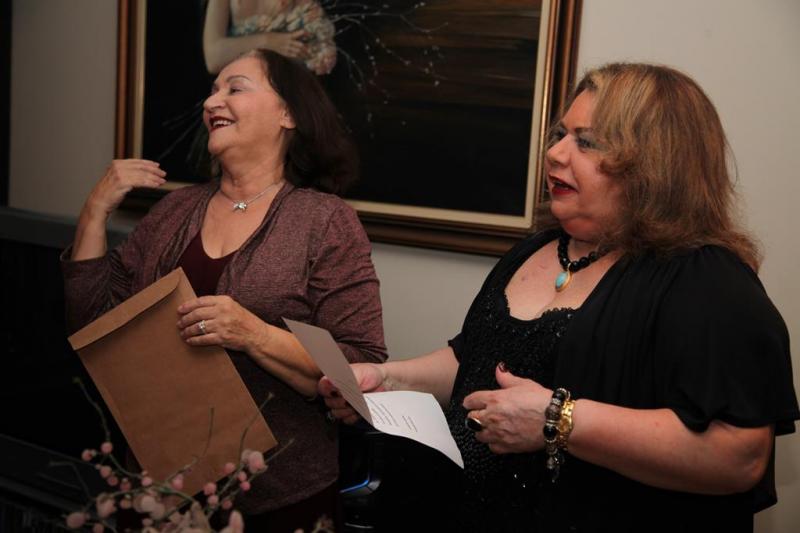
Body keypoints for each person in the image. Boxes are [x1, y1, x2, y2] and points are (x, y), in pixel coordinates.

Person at [319, 63, 799, 532]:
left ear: (653, 163)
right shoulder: (537, 249)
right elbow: (476, 358)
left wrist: (559, 421)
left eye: (586, 142)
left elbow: (739, 457)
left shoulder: (707, 281)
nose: (554, 153)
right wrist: (389, 378)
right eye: (561, 135)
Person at [63, 49, 386, 531]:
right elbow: (93, 325)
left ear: (288, 114)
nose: (212, 101)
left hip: (279, 496)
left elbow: (361, 364)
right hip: (161, 488)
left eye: (234, 88)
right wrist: (94, 212)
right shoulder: (173, 212)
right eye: (212, 90)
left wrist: (252, 333)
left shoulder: (325, 221)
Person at [204, 0, 337, 76]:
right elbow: (213, 59)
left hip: (289, 83)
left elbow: (318, 54)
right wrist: (268, 41)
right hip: (243, 81)